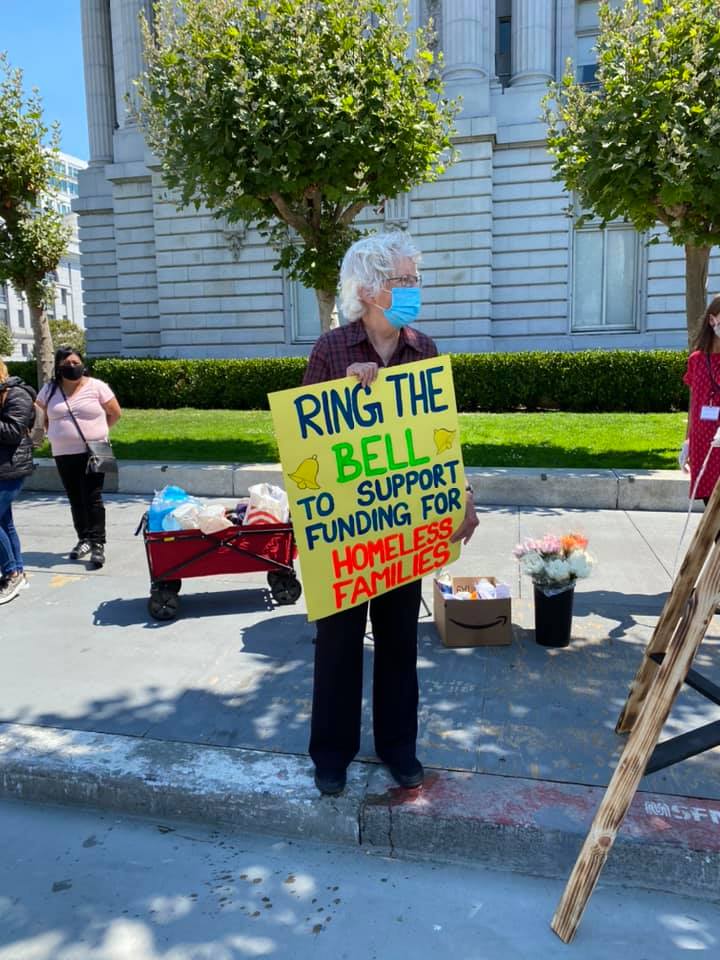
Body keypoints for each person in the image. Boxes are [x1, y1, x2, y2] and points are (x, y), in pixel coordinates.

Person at [303, 232, 479, 796]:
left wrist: (462, 493)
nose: (412, 290)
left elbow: (437, 441)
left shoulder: (422, 348)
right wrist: (346, 396)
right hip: (347, 531)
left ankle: (398, 746)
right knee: (338, 643)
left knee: (401, 641)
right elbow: (308, 444)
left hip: (402, 526)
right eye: (402, 281)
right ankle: (332, 753)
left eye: (413, 280)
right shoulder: (330, 350)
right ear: (366, 289)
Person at [36, 348, 122, 568]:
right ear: (59, 366)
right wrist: (52, 432)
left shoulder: (97, 386)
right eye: (67, 362)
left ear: (83, 364)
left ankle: (98, 543)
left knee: (93, 497)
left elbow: (114, 413)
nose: (72, 366)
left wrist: (98, 433)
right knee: (75, 497)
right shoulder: (49, 390)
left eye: (76, 361)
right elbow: (41, 416)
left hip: (96, 451)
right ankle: (83, 538)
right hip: (63, 453)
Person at [0, 362, 37, 604]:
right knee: (5, 522)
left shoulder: (17, 394)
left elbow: (13, 431)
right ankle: (18, 571)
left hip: (11, 469)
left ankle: (11, 573)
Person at [681, 296, 720, 505]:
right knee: (709, 511)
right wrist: (688, 441)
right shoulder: (697, 360)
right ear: (713, 320)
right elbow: (693, 403)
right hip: (703, 443)